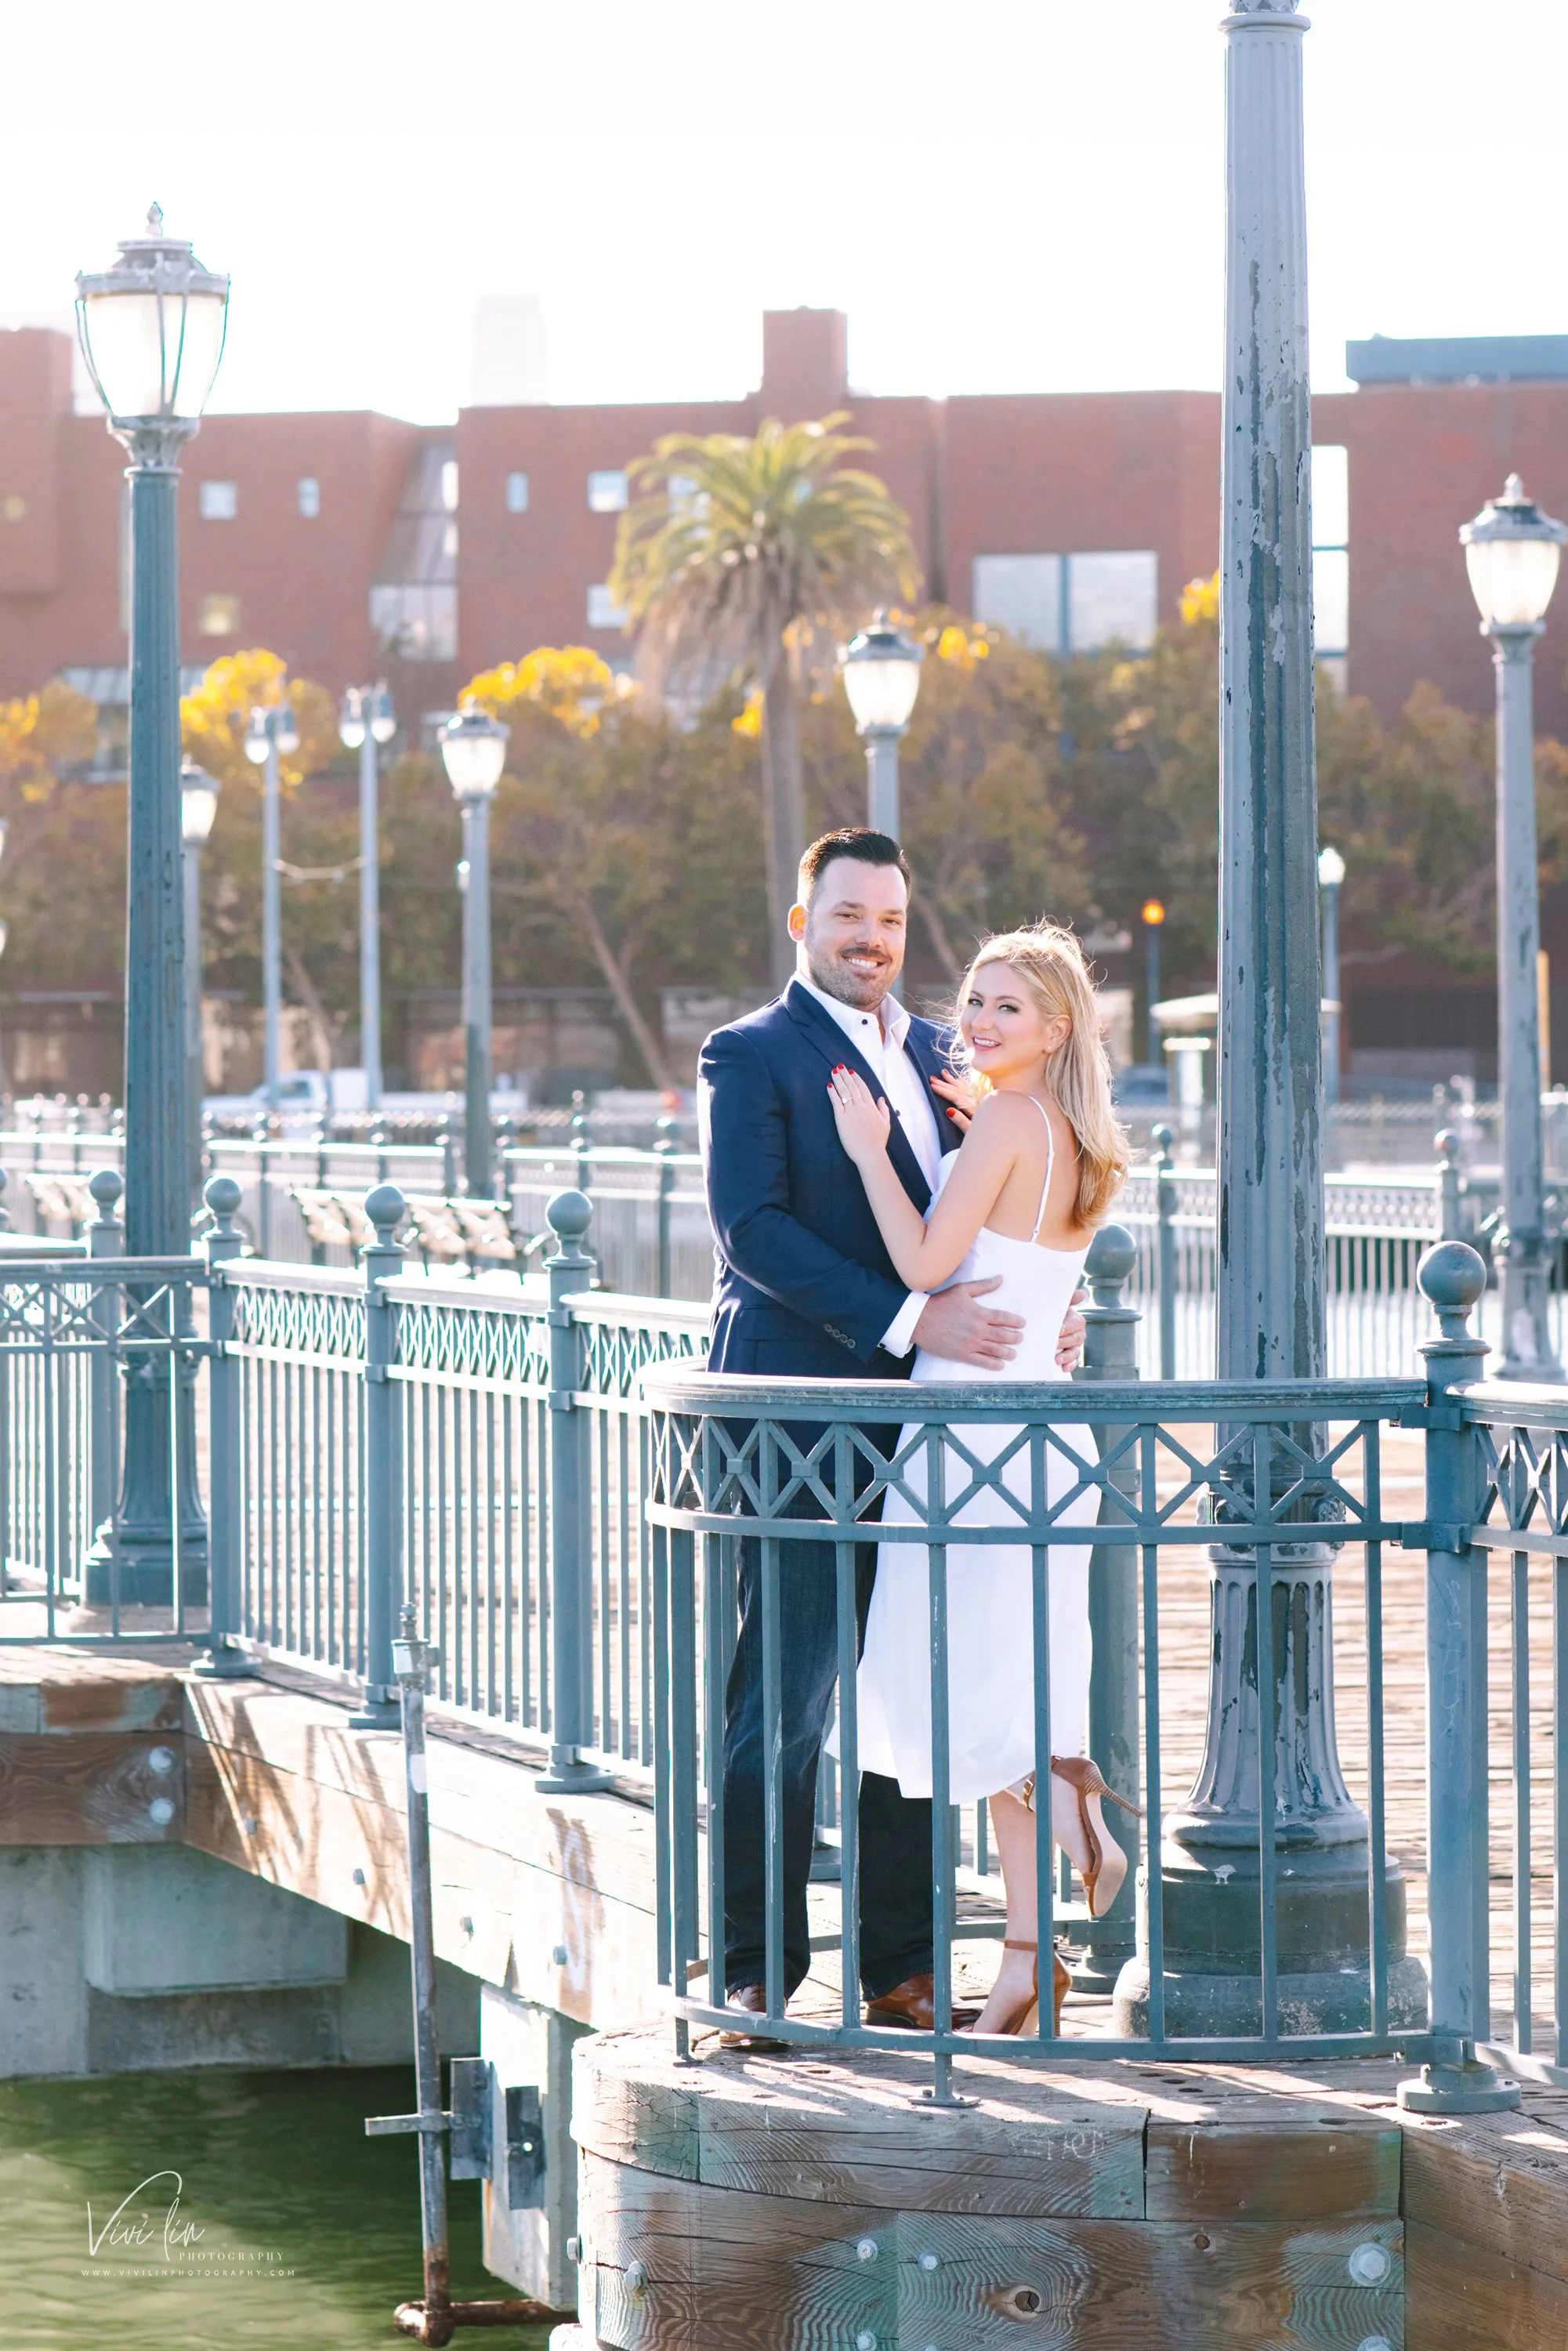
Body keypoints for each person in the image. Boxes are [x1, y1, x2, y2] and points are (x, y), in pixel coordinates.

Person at [699, 831, 1087, 2045]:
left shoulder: (943, 1051)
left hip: (933, 1433)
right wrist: (917, 1315)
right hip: (800, 1425)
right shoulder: (751, 1054)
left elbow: (1004, 1212)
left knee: (909, 1696)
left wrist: (1052, 1311)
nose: (871, 940)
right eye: (849, 916)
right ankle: (754, 1974)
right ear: (803, 919)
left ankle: (904, 1972)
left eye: (891, 923)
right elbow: (748, 1228)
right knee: (791, 1697)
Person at [826, 920, 1134, 2038]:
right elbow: (1045, 1293)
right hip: (1037, 1438)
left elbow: (921, 1267)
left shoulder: (1008, 1118)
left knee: (974, 1690)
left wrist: (868, 1150)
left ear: (1056, 1028)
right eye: (975, 998)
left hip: (967, 1439)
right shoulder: (1078, 1140)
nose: (979, 1018)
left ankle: (1085, 1831)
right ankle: (1023, 1958)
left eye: (1006, 1006)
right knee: (1006, 1692)